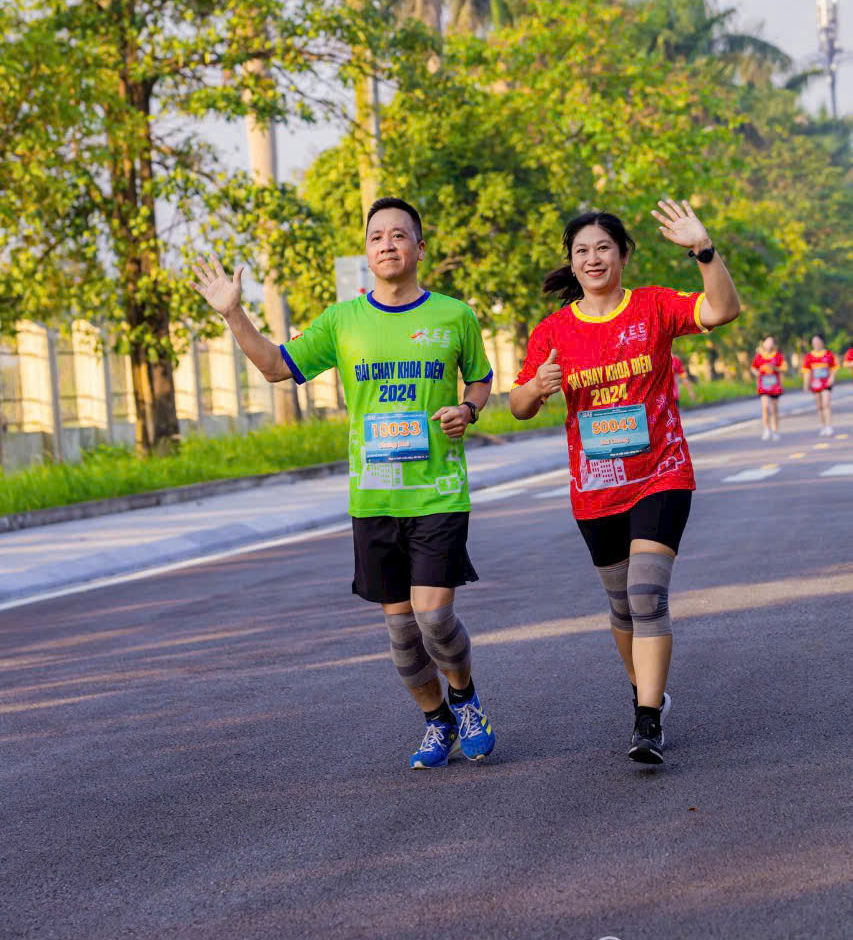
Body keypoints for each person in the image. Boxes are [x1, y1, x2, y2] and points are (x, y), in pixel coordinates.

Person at [192, 196, 496, 770]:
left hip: (437, 491)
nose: (387, 244)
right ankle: (436, 722)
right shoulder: (342, 320)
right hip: (374, 496)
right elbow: (277, 366)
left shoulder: (454, 316)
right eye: (376, 236)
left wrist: (469, 410)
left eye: (399, 235)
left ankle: (465, 699)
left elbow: (480, 380)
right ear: (366, 250)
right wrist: (235, 314)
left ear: (419, 248)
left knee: (434, 619)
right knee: (403, 637)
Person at [509, 199, 740, 766]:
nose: (593, 258)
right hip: (596, 487)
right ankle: (644, 690)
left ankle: (648, 720)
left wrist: (703, 250)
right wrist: (537, 387)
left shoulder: (654, 307)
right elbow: (517, 406)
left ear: (623, 256)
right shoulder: (555, 331)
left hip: (661, 472)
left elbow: (723, 310)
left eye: (603, 248)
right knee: (621, 608)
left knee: (646, 596)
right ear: (571, 261)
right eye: (582, 251)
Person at [801, 334, 837, 436]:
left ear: (822, 342)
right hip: (815, 385)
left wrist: (832, 377)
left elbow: (834, 368)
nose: (816, 343)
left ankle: (829, 426)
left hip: (826, 383)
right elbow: (806, 372)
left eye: (817, 341)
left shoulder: (828, 354)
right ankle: (823, 426)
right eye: (814, 342)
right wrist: (805, 384)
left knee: (826, 403)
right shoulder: (809, 357)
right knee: (819, 406)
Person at [751, 336, 785, 440]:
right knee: (765, 407)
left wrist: (775, 368)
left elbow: (784, 368)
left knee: (774, 409)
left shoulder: (778, 356)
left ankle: (775, 430)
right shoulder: (759, 356)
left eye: (771, 342)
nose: (769, 344)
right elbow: (753, 367)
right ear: (763, 343)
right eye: (767, 342)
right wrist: (756, 373)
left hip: (775, 386)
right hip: (763, 386)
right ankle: (766, 429)